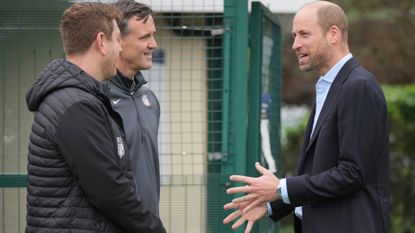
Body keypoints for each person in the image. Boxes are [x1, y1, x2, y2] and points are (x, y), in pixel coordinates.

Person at [223, 1, 390, 233]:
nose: (295, 44)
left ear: (333, 34)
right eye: (294, 35)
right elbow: (320, 171)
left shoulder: (358, 86)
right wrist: (274, 205)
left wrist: (281, 187)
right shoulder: (329, 86)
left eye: (304, 34)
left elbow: (353, 173)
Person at [25, 2, 166, 233]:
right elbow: (109, 190)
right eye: (116, 39)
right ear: (102, 42)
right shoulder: (76, 106)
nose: (119, 49)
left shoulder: (80, 99)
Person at [106, 0, 161, 217]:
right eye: (145, 37)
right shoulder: (96, 100)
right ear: (118, 41)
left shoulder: (150, 99)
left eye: (153, 35)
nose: (154, 44)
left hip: (149, 223)